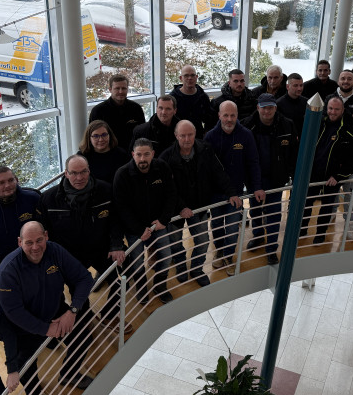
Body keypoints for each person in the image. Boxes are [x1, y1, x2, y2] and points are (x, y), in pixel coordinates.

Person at [0, 222, 95, 395]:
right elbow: (13, 312)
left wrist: (72, 310)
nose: (35, 247)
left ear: (46, 236)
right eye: (29, 242)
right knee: (27, 365)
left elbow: (84, 278)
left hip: (55, 311)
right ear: (19, 242)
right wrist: (45, 329)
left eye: (39, 240)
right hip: (23, 326)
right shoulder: (7, 270)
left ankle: (69, 374)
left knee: (83, 337)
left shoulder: (55, 251)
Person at [36, 155, 129, 334]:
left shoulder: (105, 190)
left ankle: (109, 314)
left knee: (123, 275)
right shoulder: (48, 198)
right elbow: (44, 232)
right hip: (69, 255)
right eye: (74, 173)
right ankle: (85, 319)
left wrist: (117, 245)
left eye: (83, 172)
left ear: (89, 171)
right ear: (66, 173)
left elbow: (115, 220)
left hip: (101, 248)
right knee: (78, 291)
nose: (79, 178)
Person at [159, 120, 237, 287]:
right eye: (183, 135)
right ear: (176, 135)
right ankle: (181, 266)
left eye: (190, 135)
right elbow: (166, 189)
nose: (187, 139)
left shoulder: (206, 149)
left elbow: (218, 172)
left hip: (199, 207)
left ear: (195, 134)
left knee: (202, 241)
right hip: (175, 210)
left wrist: (231, 192)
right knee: (175, 242)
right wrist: (181, 207)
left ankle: (196, 269)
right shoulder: (165, 157)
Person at [204, 101, 264, 276]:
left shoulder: (246, 135)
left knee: (231, 228)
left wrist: (257, 187)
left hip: (236, 193)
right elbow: (206, 169)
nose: (229, 119)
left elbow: (253, 163)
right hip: (215, 194)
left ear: (237, 116)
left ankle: (228, 257)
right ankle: (219, 251)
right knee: (216, 226)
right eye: (225, 115)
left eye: (232, 115)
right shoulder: (210, 137)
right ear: (219, 116)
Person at [113, 138, 176, 304]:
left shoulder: (162, 167)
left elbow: (171, 195)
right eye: (139, 154)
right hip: (134, 230)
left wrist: (163, 220)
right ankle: (141, 287)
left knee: (166, 256)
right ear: (133, 154)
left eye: (146, 154)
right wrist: (139, 229)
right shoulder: (122, 174)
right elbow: (121, 208)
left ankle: (160, 285)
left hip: (158, 225)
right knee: (137, 262)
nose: (142, 159)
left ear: (153, 154)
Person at [241, 94, 298, 264]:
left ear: (275, 108)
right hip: (253, 178)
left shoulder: (287, 125)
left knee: (274, 214)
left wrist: (292, 175)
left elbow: (294, 153)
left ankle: (271, 248)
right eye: (264, 107)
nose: (267, 111)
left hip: (276, 179)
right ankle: (258, 235)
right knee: (255, 210)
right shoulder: (246, 125)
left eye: (270, 107)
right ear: (257, 107)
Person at [302, 96, 353, 244]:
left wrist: (338, 176)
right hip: (313, 174)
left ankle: (320, 234)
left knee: (326, 208)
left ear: (343, 110)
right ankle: (302, 230)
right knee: (306, 204)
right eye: (330, 108)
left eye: (336, 109)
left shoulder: (350, 131)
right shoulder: (318, 124)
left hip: (332, 178)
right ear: (326, 108)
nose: (333, 112)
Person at [89, 74, 146, 151]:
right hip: (109, 153)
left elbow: (142, 134)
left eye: (124, 88)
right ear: (110, 89)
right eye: (117, 88)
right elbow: (93, 137)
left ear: (127, 89)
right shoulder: (98, 111)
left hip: (132, 152)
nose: (121, 91)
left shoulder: (136, 108)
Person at [77, 120, 129, 184]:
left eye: (104, 135)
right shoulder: (81, 157)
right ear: (89, 138)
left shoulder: (121, 154)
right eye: (96, 136)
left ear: (109, 135)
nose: (101, 139)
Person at [170, 65, 211, 138]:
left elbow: (209, 119)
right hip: (178, 138)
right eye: (186, 75)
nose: (190, 78)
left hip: (198, 137)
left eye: (192, 75)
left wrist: (206, 134)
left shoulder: (203, 97)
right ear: (181, 78)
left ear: (196, 77)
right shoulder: (173, 98)